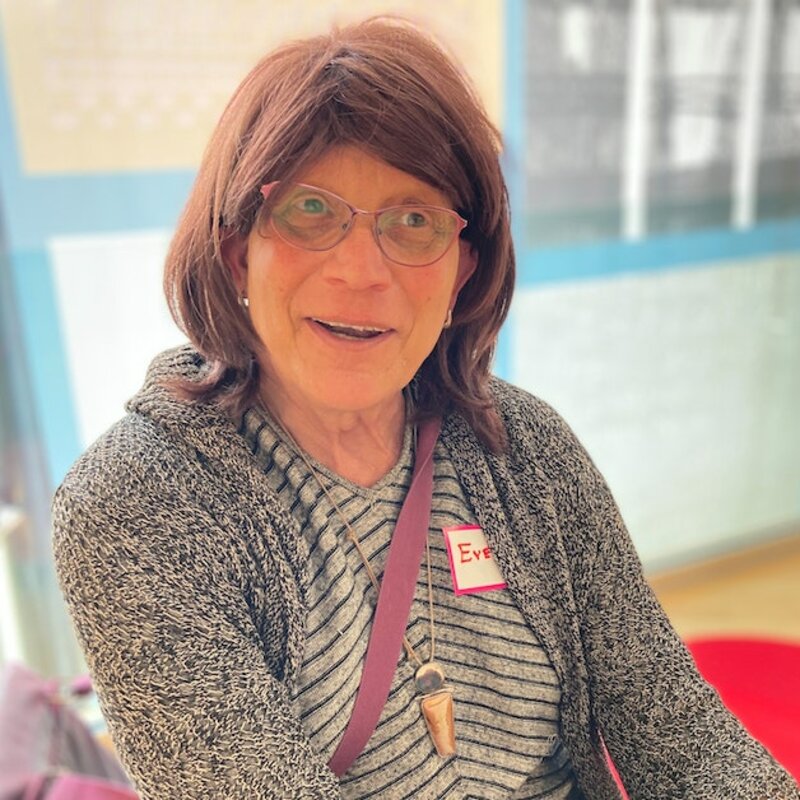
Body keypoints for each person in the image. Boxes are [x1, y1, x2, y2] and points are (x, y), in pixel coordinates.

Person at [52, 16, 798, 800]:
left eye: (413, 222)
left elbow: (681, 732)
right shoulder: (138, 507)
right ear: (240, 250)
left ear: (461, 272)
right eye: (312, 212)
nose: (360, 271)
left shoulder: (523, 448)